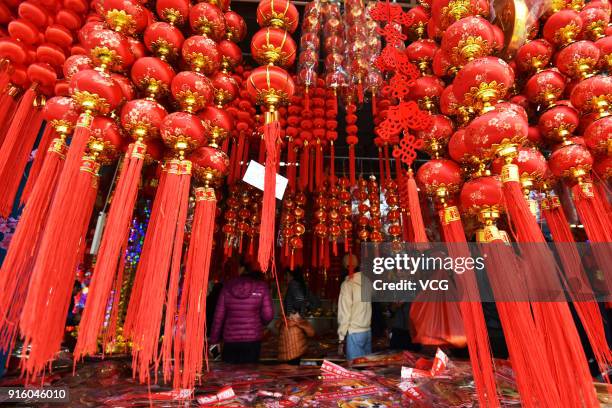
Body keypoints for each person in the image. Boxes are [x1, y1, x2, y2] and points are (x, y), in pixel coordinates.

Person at [209, 268, 274, 364]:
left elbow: (218, 317)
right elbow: (268, 315)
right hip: (252, 340)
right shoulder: (262, 287)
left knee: (229, 375)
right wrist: (259, 323)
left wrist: (214, 341)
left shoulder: (227, 287)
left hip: (230, 340)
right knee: (250, 375)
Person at [337, 255, 372, 361]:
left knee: (355, 371)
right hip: (367, 331)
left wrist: (341, 338)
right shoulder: (367, 282)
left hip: (354, 333)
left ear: (347, 267)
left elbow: (344, 313)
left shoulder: (347, 285)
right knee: (366, 370)